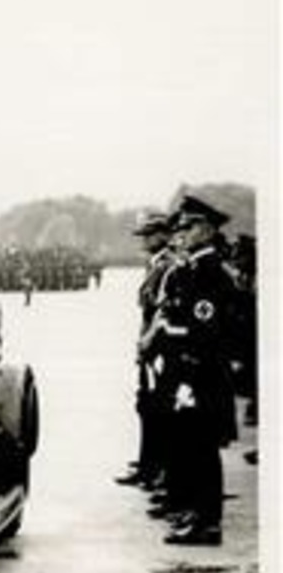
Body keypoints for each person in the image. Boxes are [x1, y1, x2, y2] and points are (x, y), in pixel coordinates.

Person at [147, 195, 238, 546]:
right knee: (191, 447)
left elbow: (205, 335)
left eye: (188, 227)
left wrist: (186, 379)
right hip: (191, 373)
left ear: (206, 230)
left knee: (202, 450)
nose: (181, 234)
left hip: (200, 375)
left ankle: (207, 522)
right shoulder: (195, 271)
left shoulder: (210, 274)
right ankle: (196, 515)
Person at [116, 212, 177, 492]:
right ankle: (148, 464)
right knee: (146, 407)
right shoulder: (155, 264)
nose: (144, 240)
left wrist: (150, 346)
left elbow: (162, 312)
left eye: (150, 235)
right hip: (150, 346)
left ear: (164, 235)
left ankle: (156, 470)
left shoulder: (167, 265)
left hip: (160, 348)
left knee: (156, 409)